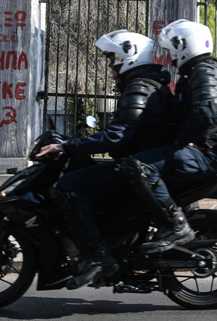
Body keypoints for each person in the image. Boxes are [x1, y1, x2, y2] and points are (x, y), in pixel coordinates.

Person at [36, 30, 173, 289]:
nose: (111, 65)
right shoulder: (145, 84)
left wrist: (69, 146)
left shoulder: (139, 88)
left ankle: (98, 256)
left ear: (129, 56)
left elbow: (117, 136)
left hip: (137, 166)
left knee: (68, 186)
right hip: (138, 162)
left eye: (113, 58)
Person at [120, 19, 217, 254]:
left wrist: (181, 141)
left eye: (173, 50)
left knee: (140, 166)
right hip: (211, 148)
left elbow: (204, 113)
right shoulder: (198, 71)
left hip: (209, 152)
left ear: (185, 45)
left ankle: (175, 225)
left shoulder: (204, 71)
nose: (172, 57)